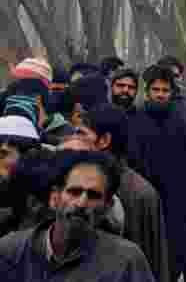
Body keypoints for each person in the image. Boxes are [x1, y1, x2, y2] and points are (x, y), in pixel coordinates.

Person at [0, 151, 155, 282]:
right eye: (74, 192)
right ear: (55, 198)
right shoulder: (11, 252)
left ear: (106, 207)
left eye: (93, 195)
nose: (81, 203)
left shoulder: (126, 262)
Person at [60, 104, 172, 282]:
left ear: (104, 140)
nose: (76, 139)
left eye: (82, 133)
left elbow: (151, 261)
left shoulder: (138, 193)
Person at [124, 66, 186, 282]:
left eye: (165, 90)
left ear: (171, 93)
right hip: (151, 198)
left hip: (183, 199)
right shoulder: (136, 119)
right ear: (147, 92)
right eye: (155, 89)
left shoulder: (184, 119)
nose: (160, 94)